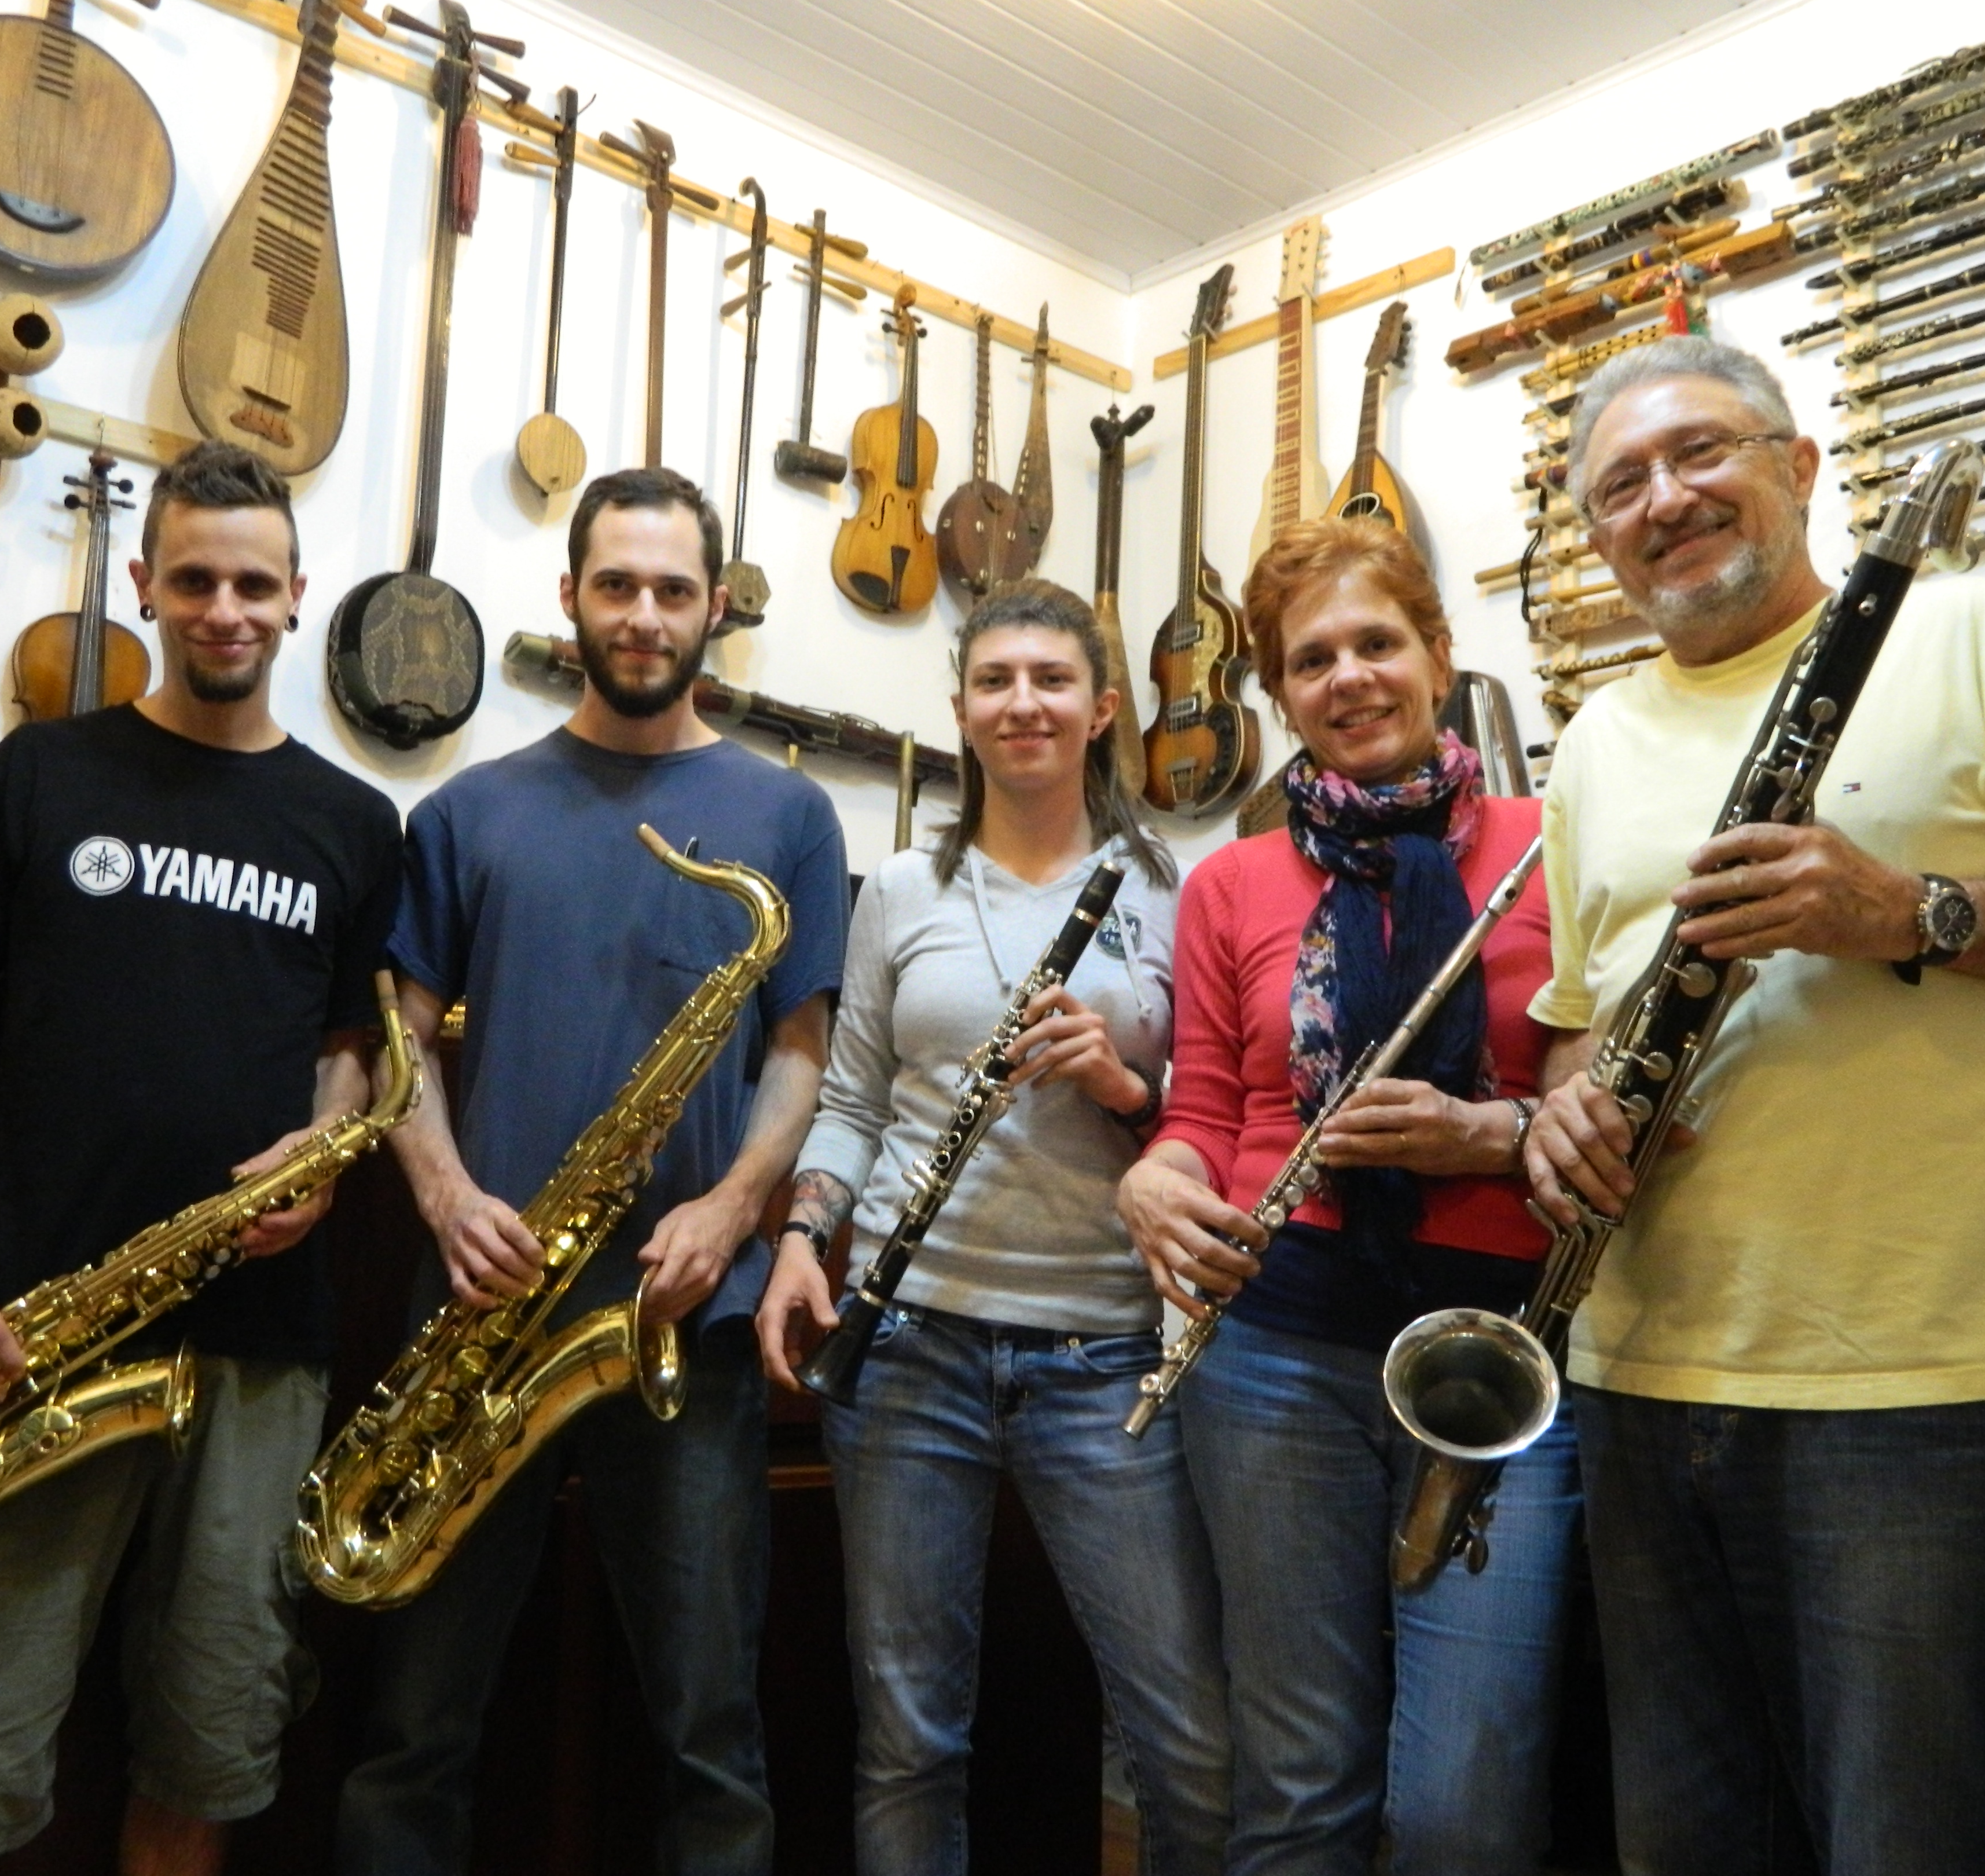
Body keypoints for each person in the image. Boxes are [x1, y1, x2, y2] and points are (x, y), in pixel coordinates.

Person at [1528, 334, 1985, 1876]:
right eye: (1621, 485)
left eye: (1702, 451)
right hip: (1641, 1373)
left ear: (1798, 465)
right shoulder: (1596, 742)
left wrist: (1915, 913)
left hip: (1917, 1386)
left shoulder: (1977, 633)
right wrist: (1563, 1113)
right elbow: (1579, 1025)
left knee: (1912, 1841)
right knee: (1682, 1844)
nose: (1664, 498)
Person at [0, 441, 405, 1876]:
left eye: (256, 585)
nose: (227, 609)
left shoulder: (357, 824)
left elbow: (353, 1050)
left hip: (259, 1352)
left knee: (208, 1751)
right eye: (199, 579)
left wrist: (327, 1149)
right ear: (148, 584)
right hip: (33, 1340)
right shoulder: (42, 771)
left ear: (298, 598)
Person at [337, 466, 847, 1876]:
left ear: (716, 607)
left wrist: (734, 1207)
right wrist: (446, 1198)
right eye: (616, 585)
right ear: (569, 596)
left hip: (685, 1323)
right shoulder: (466, 811)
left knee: (712, 1736)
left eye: (673, 590)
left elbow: (801, 1050)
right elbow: (397, 1040)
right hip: (483, 1316)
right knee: (414, 1725)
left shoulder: (789, 815)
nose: (643, 615)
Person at [1117, 516, 1576, 1875]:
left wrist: (1484, 1136)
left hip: (1502, 1353)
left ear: (1438, 654)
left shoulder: (1556, 847)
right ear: (1278, 694)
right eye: (1312, 660)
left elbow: (1617, 1107)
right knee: (1300, 1780)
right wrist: (1155, 1179)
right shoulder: (1230, 882)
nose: (1350, 678)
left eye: (1378, 643)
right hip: (1274, 1356)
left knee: (1464, 1811)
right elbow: (1206, 1112)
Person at [757, 579, 1230, 1875]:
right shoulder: (904, 889)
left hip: (1105, 1353)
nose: (1025, 703)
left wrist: (1121, 1084)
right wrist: (801, 1239)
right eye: (996, 681)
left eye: (1053, 680)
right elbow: (852, 1102)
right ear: (962, 709)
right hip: (908, 1346)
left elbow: (1214, 1119)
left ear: (1104, 709)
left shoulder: (1172, 890)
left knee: (1189, 1738)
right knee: (908, 1738)